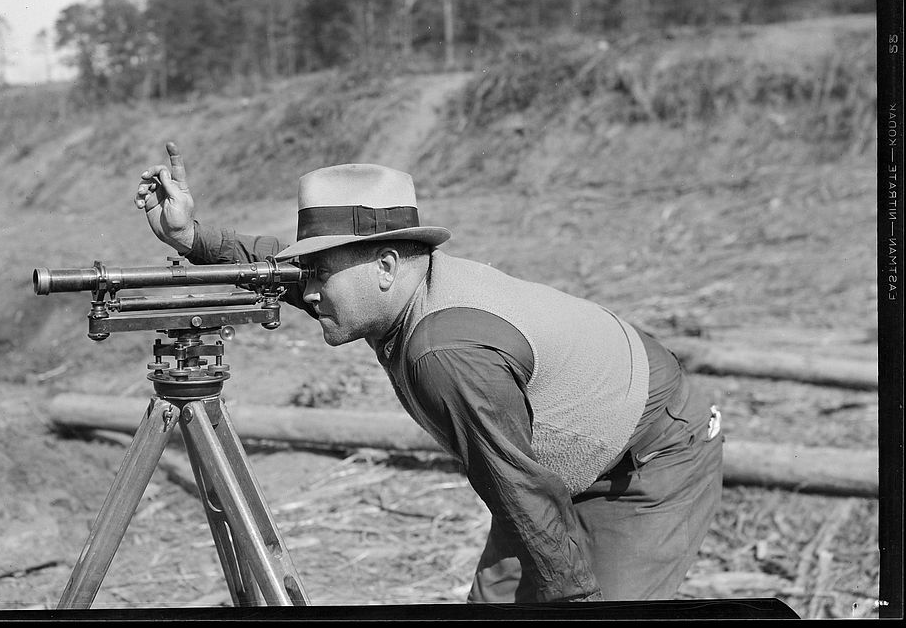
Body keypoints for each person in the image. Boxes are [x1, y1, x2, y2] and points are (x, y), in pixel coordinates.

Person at [134, 141, 724, 604]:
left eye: (319, 273)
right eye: (304, 272)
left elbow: (521, 490)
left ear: (387, 264)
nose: (305, 291)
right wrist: (192, 238)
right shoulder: (386, 291)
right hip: (554, 459)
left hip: (648, 457)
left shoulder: (445, 353)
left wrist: (574, 599)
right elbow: (286, 271)